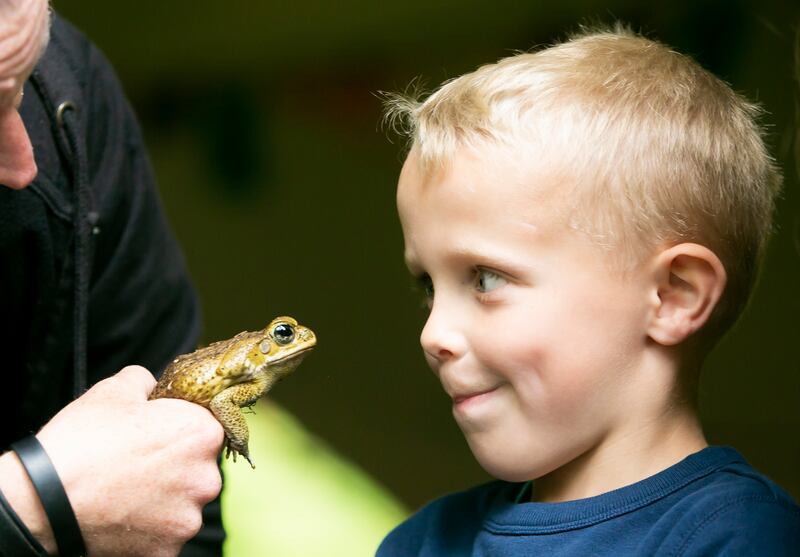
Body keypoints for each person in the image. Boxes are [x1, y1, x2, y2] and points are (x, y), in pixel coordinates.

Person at [377, 26, 800, 555]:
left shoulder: (743, 536)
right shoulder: (423, 542)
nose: (432, 333)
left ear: (674, 296)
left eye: (485, 279)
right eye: (427, 286)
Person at [0, 2, 225, 556]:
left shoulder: (74, 97)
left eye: (20, 92)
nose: (23, 163)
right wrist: (33, 506)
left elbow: (181, 514)